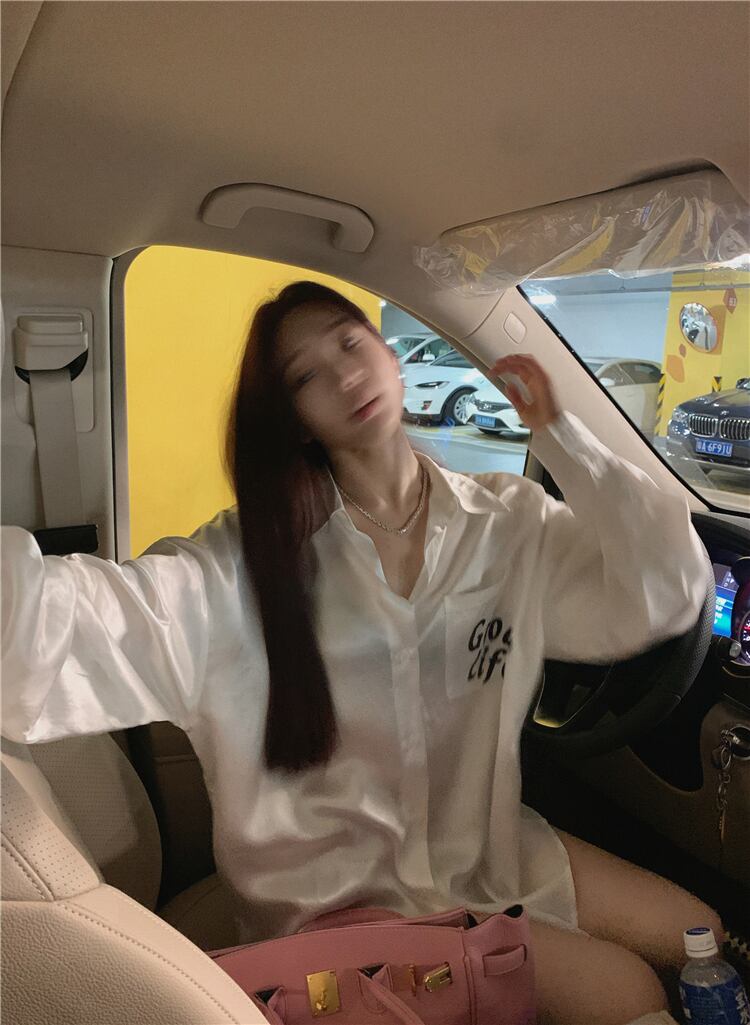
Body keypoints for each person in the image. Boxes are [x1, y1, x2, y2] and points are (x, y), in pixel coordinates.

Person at [1, 281, 721, 1024]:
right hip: (341, 919)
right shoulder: (240, 568)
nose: (345, 376)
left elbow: (662, 590)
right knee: (629, 990)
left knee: (702, 932)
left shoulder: (506, 524)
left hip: (487, 851)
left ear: (391, 354)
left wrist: (561, 434)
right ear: (296, 422)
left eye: (350, 343)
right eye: (306, 376)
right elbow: (78, 619)